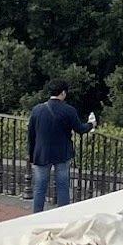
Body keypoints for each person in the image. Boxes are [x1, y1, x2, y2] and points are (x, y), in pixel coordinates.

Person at [27, 79, 95, 212]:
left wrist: (31, 153)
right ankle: (62, 215)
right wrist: (91, 124)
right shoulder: (68, 110)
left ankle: (36, 216)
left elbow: (31, 135)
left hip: (42, 154)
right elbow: (80, 129)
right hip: (62, 153)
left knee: (39, 188)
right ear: (63, 93)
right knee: (63, 186)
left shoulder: (37, 110)